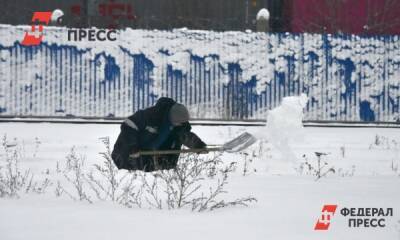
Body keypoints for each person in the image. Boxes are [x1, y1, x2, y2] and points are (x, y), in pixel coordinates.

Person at [111, 97, 207, 172]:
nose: (179, 125)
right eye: (177, 123)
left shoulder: (179, 124)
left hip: (153, 158)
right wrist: (132, 146)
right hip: (128, 155)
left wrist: (197, 145)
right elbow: (129, 127)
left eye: (181, 123)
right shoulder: (149, 115)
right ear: (171, 117)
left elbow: (185, 135)